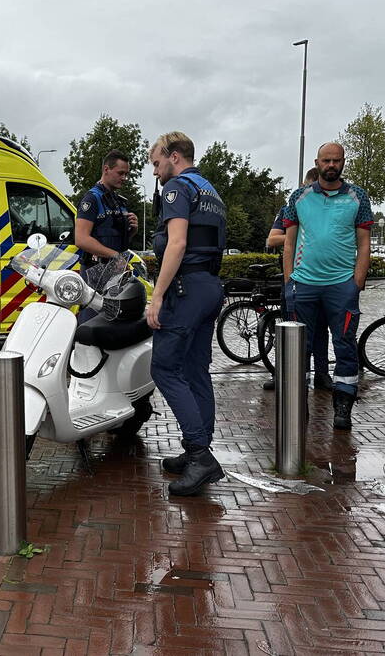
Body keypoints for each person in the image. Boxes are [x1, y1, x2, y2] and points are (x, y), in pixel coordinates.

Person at [146, 131, 226, 496]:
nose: (155, 171)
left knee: (163, 368)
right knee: (195, 370)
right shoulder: (210, 191)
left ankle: (199, 455)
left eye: (157, 163)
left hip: (187, 289)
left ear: (174, 156)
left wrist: (157, 296)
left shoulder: (177, 188)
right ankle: (198, 448)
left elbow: (176, 243)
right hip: (210, 286)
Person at [282, 142, 373, 430]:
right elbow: (289, 243)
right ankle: (298, 405)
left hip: (341, 286)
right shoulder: (299, 197)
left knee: (344, 345)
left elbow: (364, 244)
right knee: (299, 348)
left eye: (336, 160)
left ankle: (343, 405)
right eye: (326, 160)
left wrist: (356, 284)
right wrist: (289, 282)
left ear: (343, 162)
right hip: (304, 285)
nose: (331, 165)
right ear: (317, 163)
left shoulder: (358, 197)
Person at [262, 167, 331, 392]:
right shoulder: (289, 209)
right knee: (291, 329)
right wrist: (299, 234)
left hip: (323, 278)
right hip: (296, 279)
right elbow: (272, 240)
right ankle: (284, 374)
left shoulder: (329, 210)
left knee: (321, 329)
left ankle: (322, 374)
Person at [74, 150, 139, 321]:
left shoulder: (117, 201)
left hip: (115, 273)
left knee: (113, 323)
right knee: (91, 323)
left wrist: (132, 231)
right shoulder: (91, 199)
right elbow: (81, 239)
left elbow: (117, 242)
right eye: (120, 173)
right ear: (106, 169)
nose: (124, 178)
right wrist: (115, 256)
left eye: (127, 174)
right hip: (94, 271)